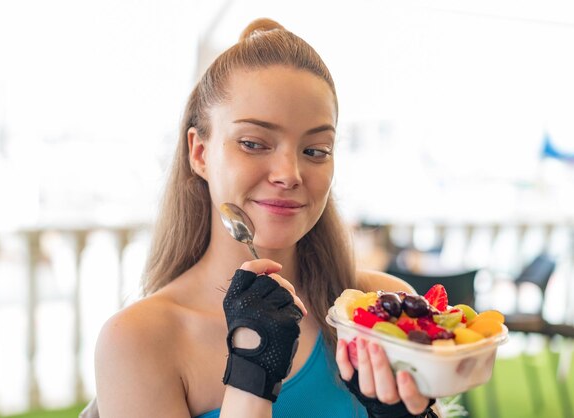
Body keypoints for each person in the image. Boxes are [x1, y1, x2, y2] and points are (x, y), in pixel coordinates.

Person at [81, 18, 439, 418]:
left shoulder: (378, 309)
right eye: (253, 143)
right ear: (199, 153)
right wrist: (252, 376)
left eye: (316, 150)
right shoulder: (138, 341)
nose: (289, 173)